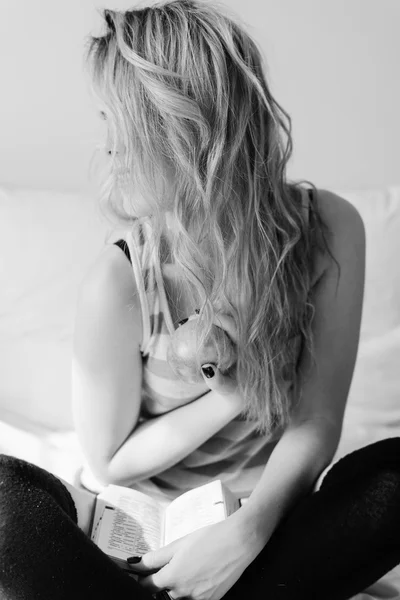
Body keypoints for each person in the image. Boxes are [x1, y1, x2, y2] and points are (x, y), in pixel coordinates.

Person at [1, 1, 400, 599]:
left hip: (263, 514)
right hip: (140, 521)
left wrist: (244, 532)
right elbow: (111, 460)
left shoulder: (329, 231)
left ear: (181, 135)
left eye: (119, 123)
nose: (108, 147)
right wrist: (232, 398)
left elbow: (317, 420)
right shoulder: (121, 279)